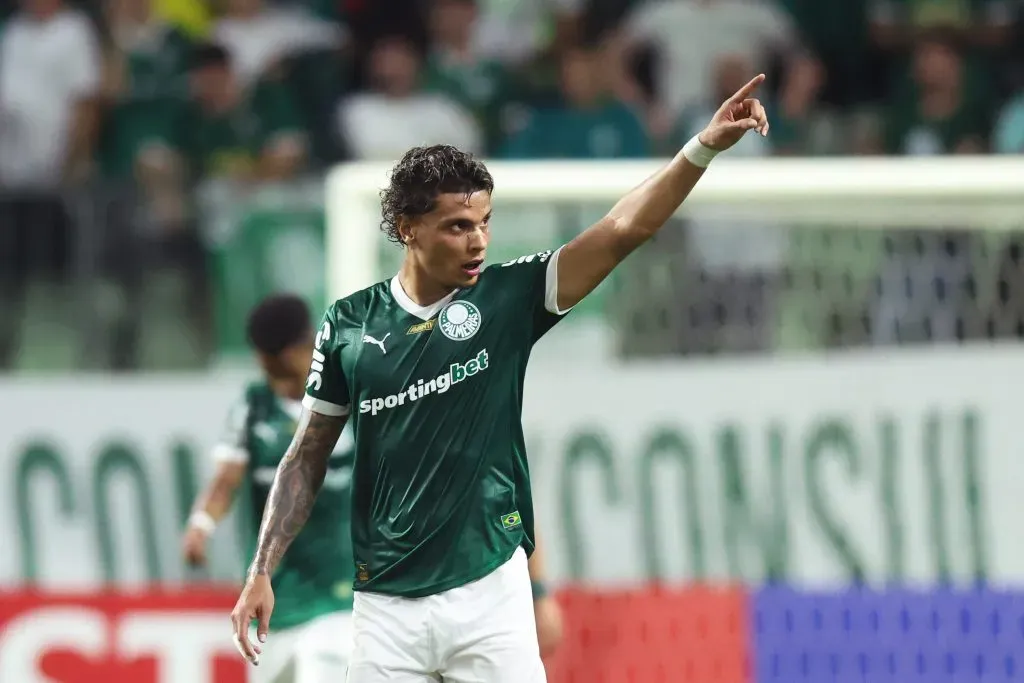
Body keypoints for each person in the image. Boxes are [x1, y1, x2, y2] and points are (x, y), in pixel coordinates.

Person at [230, 74, 771, 682]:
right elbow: (305, 457)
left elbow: (624, 230)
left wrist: (699, 147)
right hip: (383, 610)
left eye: (485, 222)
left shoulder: (509, 298)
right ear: (408, 227)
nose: (479, 241)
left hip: (489, 595)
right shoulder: (349, 326)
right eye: (459, 226)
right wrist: (262, 570)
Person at [184, 294, 356, 683]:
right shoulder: (253, 406)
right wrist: (201, 523)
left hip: (340, 600)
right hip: (273, 605)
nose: (273, 377)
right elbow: (226, 479)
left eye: (278, 365)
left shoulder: (355, 397)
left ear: (303, 346)